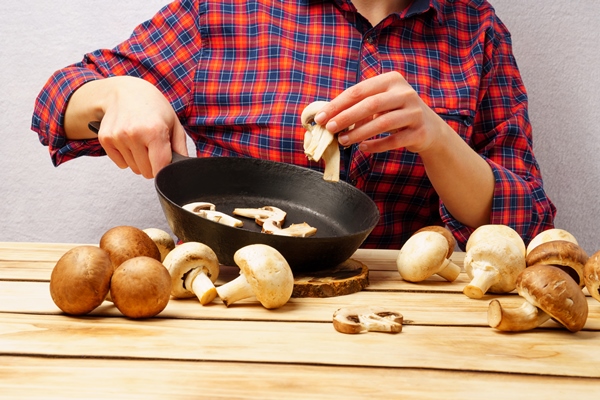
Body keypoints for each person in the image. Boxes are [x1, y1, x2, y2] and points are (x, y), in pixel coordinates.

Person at [31, 0, 556, 250]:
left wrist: (438, 141)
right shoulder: (226, 10)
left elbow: (527, 222)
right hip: (231, 310)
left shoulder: (475, 30)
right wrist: (121, 90)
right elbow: (57, 103)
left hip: (404, 325)